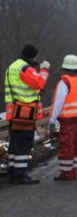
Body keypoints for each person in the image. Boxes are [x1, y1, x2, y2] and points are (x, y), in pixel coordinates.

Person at [3, 44, 50, 184]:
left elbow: (24, 86)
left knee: (15, 142)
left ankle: (13, 171)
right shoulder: (24, 67)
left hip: (14, 111)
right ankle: (21, 174)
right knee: (24, 142)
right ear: (33, 55)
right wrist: (44, 69)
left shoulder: (12, 66)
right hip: (25, 111)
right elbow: (39, 82)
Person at [49, 55, 77, 181]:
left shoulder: (65, 81)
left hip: (68, 119)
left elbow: (58, 102)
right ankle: (74, 171)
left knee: (67, 145)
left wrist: (52, 120)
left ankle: (66, 173)